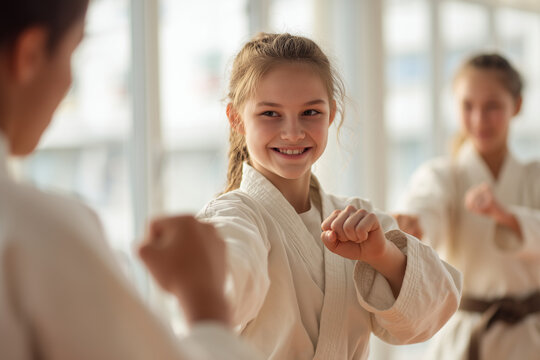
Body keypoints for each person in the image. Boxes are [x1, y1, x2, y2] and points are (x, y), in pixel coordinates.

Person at [0, 1, 262, 359]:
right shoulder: (37, 231)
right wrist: (204, 299)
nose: (69, 81)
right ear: (29, 54)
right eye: (72, 53)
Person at [185, 32, 462, 359]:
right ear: (236, 119)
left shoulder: (358, 216)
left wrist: (381, 254)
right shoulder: (232, 218)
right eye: (270, 114)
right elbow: (223, 293)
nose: (292, 132)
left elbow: (433, 312)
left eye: (310, 112)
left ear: (331, 113)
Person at [394, 53, 540, 360]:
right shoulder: (444, 176)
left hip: (530, 338)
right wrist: (413, 225)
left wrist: (505, 216)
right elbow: (426, 204)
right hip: (464, 341)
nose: (479, 119)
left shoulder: (534, 176)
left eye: (492, 107)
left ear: (517, 106)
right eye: (468, 106)